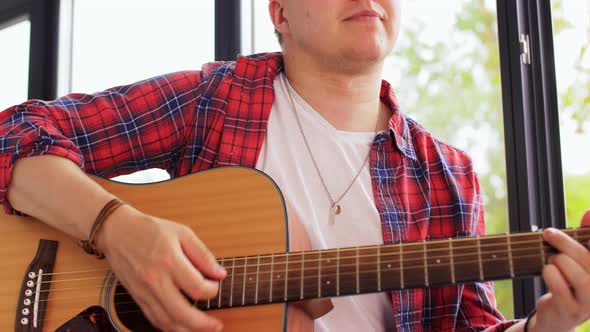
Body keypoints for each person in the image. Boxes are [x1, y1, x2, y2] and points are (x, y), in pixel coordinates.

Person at [1, 0, 589, 331]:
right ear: (278, 11)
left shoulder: (448, 173)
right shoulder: (216, 101)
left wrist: (548, 325)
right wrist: (117, 227)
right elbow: (12, 134)